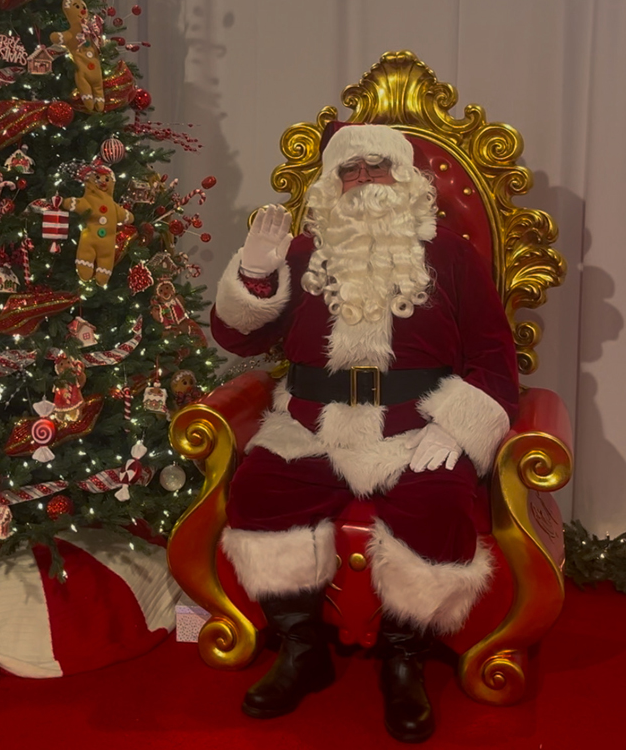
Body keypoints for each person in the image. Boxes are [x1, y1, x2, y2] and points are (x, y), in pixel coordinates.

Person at [210, 122, 518, 744]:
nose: (363, 180)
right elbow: (237, 338)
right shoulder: (303, 253)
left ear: (404, 178)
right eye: (349, 171)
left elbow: (493, 354)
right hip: (307, 427)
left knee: (438, 506)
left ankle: (404, 661)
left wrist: (459, 429)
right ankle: (302, 650)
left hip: (414, 428)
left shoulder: (452, 255)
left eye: (376, 166)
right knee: (259, 494)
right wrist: (255, 278)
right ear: (331, 183)